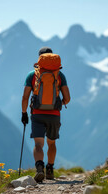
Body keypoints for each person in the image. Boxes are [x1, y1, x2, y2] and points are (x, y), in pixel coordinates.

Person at [21, 47, 71, 182]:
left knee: (38, 144)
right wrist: (61, 102)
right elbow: (67, 97)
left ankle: (39, 168)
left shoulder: (32, 75)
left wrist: (24, 113)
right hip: (54, 113)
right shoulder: (59, 75)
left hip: (37, 113)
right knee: (52, 143)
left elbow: (25, 97)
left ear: (39, 58)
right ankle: (50, 168)